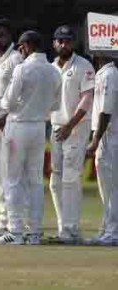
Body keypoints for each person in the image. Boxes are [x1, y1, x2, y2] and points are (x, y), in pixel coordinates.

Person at [0, 31, 61, 245]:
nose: (20, 51)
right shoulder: (54, 71)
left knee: (12, 180)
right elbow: (55, 105)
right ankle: (35, 233)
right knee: (35, 181)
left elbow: (8, 102)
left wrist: (0, 105)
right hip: (39, 128)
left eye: (21, 47)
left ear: (27, 46)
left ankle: (16, 232)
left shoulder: (23, 69)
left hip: (18, 126)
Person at [49, 25, 95, 244]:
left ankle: (70, 229)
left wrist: (70, 125)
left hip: (76, 128)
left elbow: (87, 99)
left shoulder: (84, 65)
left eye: (68, 41)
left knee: (70, 178)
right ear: (54, 43)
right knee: (55, 181)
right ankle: (63, 227)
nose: (64, 44)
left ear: (73, 43)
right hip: (56, 127)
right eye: (61, 41)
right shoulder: (50, 68)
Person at [0, 18, 23, 238]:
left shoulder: (16, 58)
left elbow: (21, 93)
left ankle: (15, 223)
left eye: (0, 35)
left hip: (12, 123)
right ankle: (4, 220)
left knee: (11, 174)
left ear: (10, 35)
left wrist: (5, 117)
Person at [86, 54, 118, 245]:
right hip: (106, 135)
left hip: (110, 136)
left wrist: (96, 139)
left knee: (112, 186)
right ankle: (107, 228)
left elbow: (106, 110)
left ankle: (113, 232)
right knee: (106, 187)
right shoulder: (102, 74)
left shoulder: (110, 74)